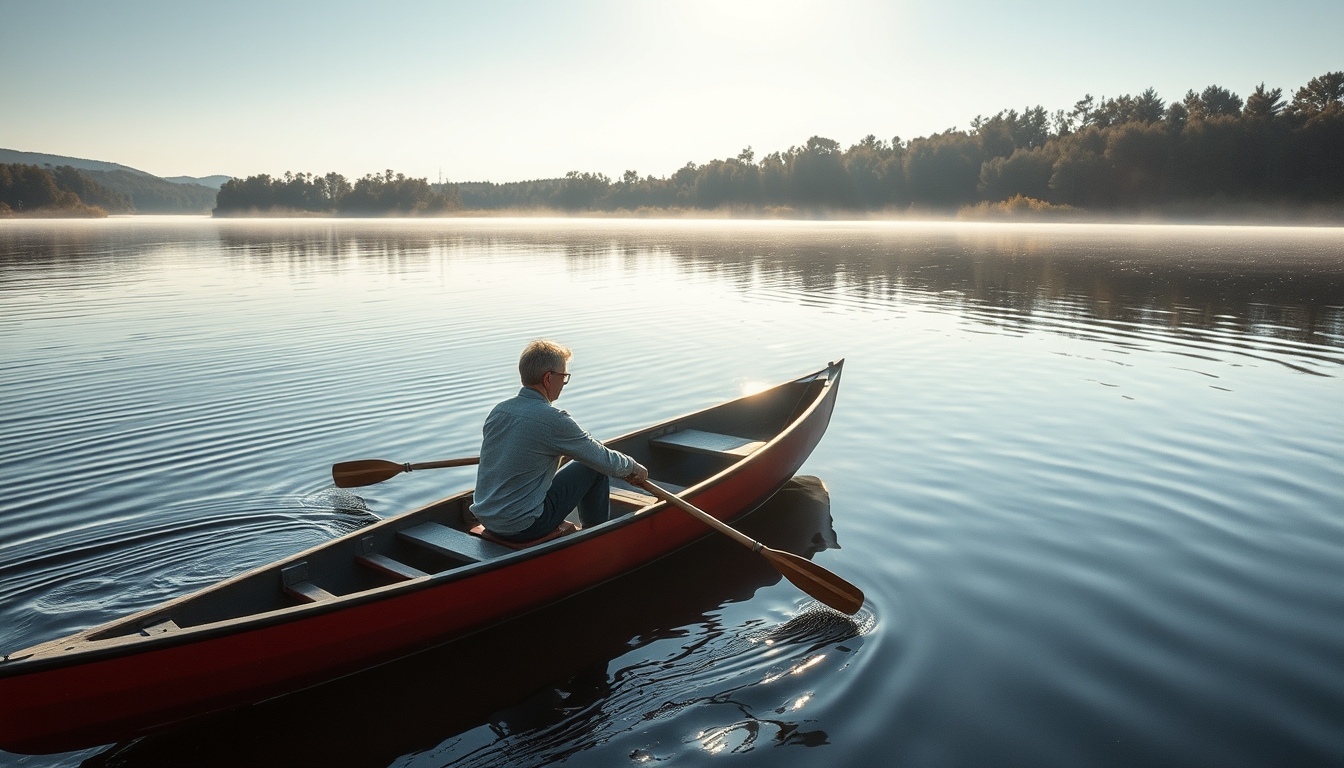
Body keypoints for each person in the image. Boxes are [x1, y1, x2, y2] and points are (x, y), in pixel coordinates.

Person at [471, 339, 649, 542]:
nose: (564, 383)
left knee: (587, 459)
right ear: (548, 378)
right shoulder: (553, 420)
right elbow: (602, 459)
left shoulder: (499, 411)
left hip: (488, 518)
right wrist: (632, 467)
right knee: (594, 467)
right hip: (525, 526)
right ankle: (596, 539)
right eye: (564, 376)